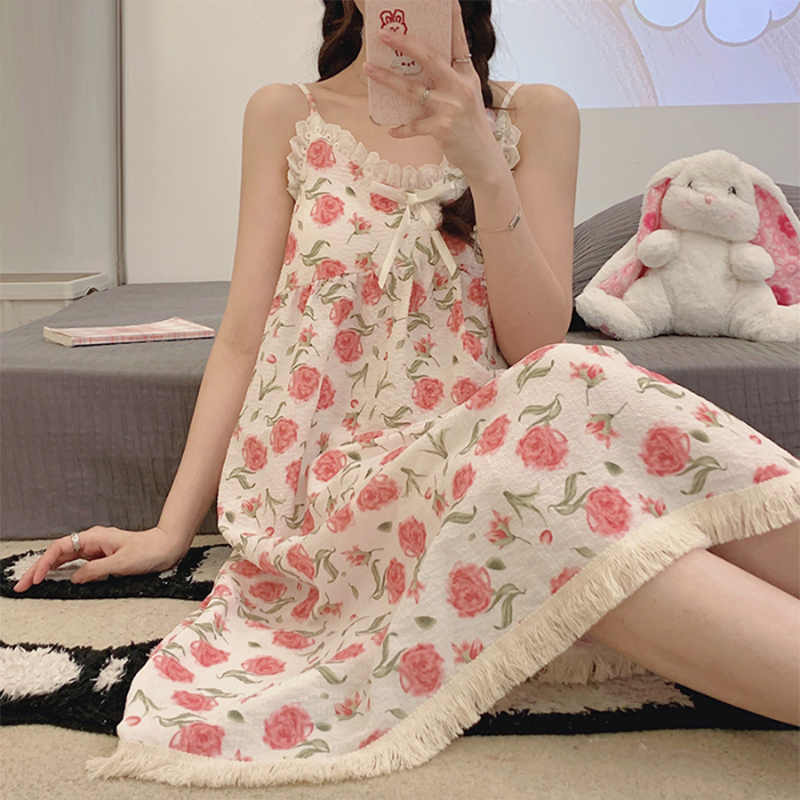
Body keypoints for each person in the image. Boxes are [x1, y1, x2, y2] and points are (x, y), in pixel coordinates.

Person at [12, 0, 800, 788]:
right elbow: (244, 334)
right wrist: (169, 529)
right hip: (334, 478)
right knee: (538, 493)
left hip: (478, 435)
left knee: (573, 384)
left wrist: (483, 161)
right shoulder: (287, 114)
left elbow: (535, 343)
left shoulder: (537, 116)